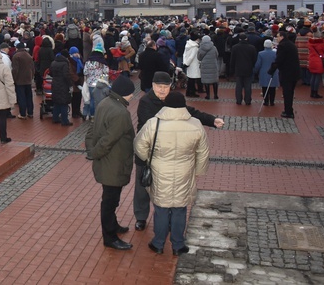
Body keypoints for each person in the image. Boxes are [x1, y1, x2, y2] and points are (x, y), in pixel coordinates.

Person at [133, 71, 223, 231]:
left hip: (165, 155)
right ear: (152, 86)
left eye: (165, 87)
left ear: (170, 87)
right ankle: (141, 217)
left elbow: (191, 113)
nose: (161, 90)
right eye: (158, 87)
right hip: (147, 155)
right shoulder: (145, 102)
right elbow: (147, 128)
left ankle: (163, 219)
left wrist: (211, 120)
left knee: (164, 190)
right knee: (142, 188)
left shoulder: (172, 101)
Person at [134, 92, 209, 256]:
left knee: (161, 209)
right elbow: (203, 152)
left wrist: (149, 159)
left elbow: (139, 145)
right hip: (185, 172)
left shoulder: (154, 123)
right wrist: (198, 171)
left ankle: (158, 243)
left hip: (160, 171)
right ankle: (178, 245)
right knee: (180, 209)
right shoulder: (196, 124)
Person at [84, 75, 136, 251]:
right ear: (124, 94)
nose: (132, 96)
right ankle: (110, 237)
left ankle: (113, 226)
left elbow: (92, 129)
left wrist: (91, 150)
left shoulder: (104, 103)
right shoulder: (121, 112)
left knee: (111, 198)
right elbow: (108, 141)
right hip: (113, 163)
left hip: (108, 162)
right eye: (131, 93)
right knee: (109, 200)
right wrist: (94, 153)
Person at [269, 30, 300, 118]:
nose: (277, 38)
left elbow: (279, 59)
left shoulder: (282, 46)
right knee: (290, 92)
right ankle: (289, 109)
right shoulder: (290, 44)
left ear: (282, 37)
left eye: (278, 36)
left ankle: (288, 111)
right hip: (294, 71)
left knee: (287, 92)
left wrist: (272, 69)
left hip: (287, 72)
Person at [230, 33, 258, 105]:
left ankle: (238, 100)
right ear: (246, 39)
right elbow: (254, 59)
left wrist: (232, 69)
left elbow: (232, 59)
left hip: (238, 68)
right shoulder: (252, 47)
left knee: (239, 86)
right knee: (248, 85)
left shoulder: (235, 47)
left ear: (239, 39)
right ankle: (248, 100)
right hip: (248, 68)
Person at [50, 49, 75, 126]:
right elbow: (66, 75)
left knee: (57, 102)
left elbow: (50, 73)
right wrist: (70, 84)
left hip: (55, 84)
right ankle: (65, 121)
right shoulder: (65, 64)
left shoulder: (53, 62)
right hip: (63, 85)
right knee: (64, 103)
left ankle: (55, 118)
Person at [11, 42, 35, 119]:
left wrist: (13, 79)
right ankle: (30, 112)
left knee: (21, 97)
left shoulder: (16, 56)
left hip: (19, 80)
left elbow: (15, 70)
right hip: (28, 79)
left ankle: (23, 113)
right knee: (29, 96)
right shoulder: (29, 56)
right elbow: (32, 68)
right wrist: (31, 77)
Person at [254, 40, 278, 106]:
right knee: (273, 87)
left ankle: (266, 101)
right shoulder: (275, 53)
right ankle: (272, 101)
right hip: (273, 71)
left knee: (264, 87)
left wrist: (255, 71)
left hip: (263, 72)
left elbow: (258, 64)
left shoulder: (260, 53)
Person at [197, 35, 219, 100]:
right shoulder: (214, 47)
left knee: (206, 81)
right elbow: (217, 55)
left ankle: (208, 95)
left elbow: (199, 57)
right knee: (215, 81)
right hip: (213, 65)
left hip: (205, 66)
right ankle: (215, 95)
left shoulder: (201, 48)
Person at [307, 32, 324, 99]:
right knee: (317, 77)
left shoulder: (310, 43)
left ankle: (312, 92)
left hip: (311, 60)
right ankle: (315, 92)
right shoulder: (321, 43)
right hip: (319, 60)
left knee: (313, 76)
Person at [182, 32, 202, 97]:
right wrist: (187, 63)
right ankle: (191, 92)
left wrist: (185, 63)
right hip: (194, 64)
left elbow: (185, 54)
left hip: (189, 64)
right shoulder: (195, 47)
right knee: (192, 80)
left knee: (190, 79)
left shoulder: (188, 45)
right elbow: (192, 56)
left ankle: (189, 92)